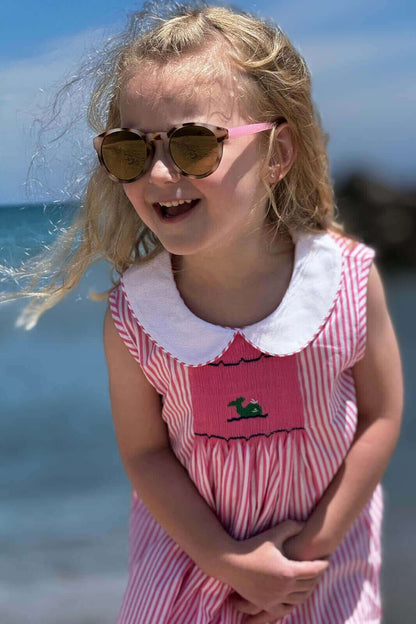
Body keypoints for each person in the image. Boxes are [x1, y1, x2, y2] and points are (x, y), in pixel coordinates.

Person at [4, 2, 403, 622]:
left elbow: (381, 415)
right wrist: (230, 562)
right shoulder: (137, 315)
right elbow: (145, 455)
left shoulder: (346, 281)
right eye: (131, 150)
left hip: (325, 575)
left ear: (276, 153)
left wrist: (305, 555)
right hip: (191, 575)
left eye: (193, 145)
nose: (161, 172)